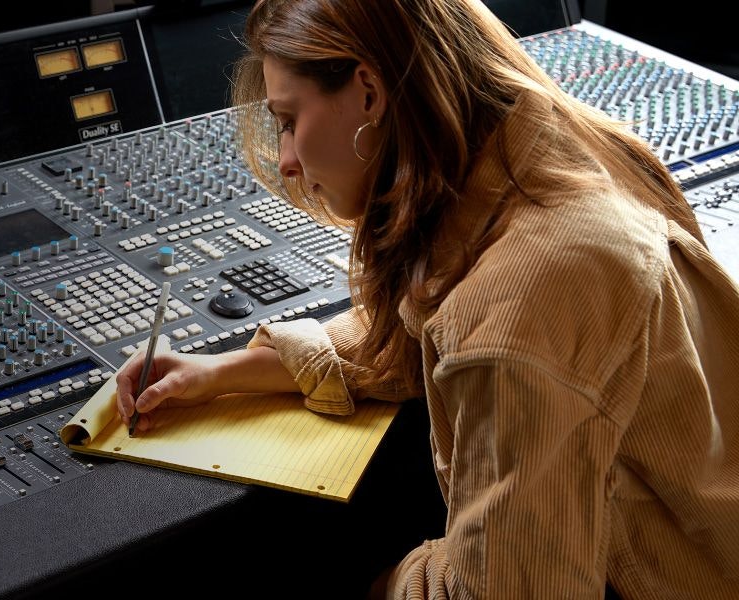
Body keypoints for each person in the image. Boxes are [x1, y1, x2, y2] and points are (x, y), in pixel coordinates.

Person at [113, 0, 739, 597]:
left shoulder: (521, 308)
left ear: (367, 91)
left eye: (287, 121)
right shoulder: (552, 152)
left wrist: (379, 581)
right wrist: (225, 373)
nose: (286, 162)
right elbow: (417, 331)